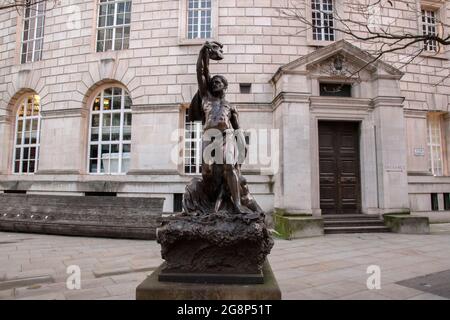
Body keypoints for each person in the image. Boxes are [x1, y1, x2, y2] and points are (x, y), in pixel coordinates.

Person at [190, 41, 248, 214]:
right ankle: (212, 205)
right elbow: (201, 72)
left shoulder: (230, 106)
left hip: (226, 135)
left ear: (225, 86)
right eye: (213, 82)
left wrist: (242, 148)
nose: (214, 83)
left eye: (218, 82)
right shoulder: (206, 97)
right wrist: (203, 52)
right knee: (207, 172)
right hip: (209, 137)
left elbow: (238, 129)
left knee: (229, 166)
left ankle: (237, 204)